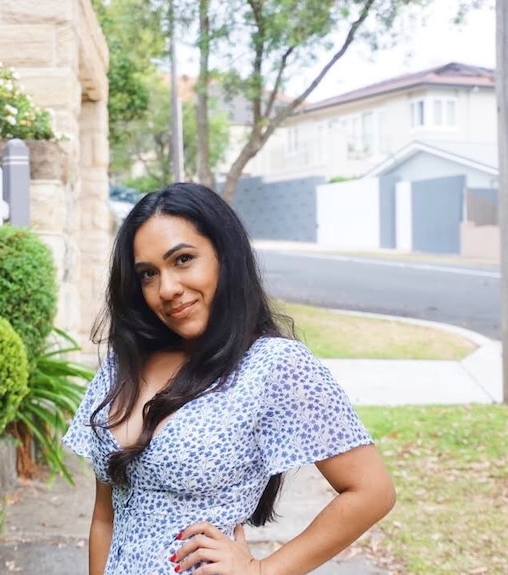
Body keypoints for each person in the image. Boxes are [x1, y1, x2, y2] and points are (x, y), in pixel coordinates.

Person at [63, 182, 396, 575]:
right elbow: (105, 516)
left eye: (183, 259)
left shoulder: (272, 365)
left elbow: (372, 491)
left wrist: (262, 570)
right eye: (148, 274)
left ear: (225, 256)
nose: (166, 289)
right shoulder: (126, 364)